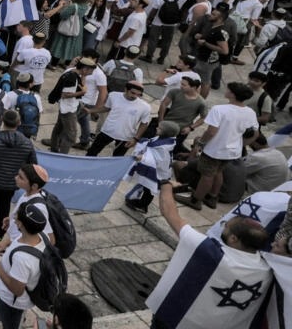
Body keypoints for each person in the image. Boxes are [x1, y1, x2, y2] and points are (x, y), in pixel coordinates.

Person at [146, 180, 271, 329]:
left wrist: (166, 184)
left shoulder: (209, 251)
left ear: (233, 239)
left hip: (175, 320)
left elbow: (168, 211)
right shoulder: (267, 270)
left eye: (226, 226)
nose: (223, 226)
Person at [180, 82, 259, 210]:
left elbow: (211, 131)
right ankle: (212, 197)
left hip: (215, 149)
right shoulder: (250, 112)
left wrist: (200, 144)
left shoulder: (219, 109)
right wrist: (242, 144)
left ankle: (196, 200)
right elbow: (255, 133)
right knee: (218, 172)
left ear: (232, 94)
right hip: (233, 152)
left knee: (207, 175)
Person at [84, 80, 152, 157]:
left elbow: (144, 123)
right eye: (132, 93)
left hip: (125, 137)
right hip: (107, 131)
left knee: (117, 158)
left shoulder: (145, 107)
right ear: (126, 89)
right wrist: (90, 110)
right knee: (91, 153)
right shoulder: (113, 95)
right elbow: (107, 108)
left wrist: (135, 139)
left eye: (139, 95)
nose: (135, 96)